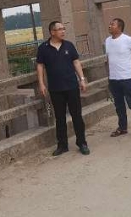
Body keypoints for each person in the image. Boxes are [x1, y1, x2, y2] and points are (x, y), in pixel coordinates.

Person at [36, 21, 90, 156]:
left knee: (77, 116)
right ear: (52, 32)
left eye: (64, 29)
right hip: (55, 88)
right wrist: (41, 83)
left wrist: (82, 79)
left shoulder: (69, 45)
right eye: (60, 29)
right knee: (60, 118)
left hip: (72, 86)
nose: (63, 31)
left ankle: (82, 143)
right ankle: (62, 145)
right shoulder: (43, 48)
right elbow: (40, 66)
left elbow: (76, 62)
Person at [105, 18, 131, 139]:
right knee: (119, 105)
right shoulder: (107, 41)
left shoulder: (128, 40)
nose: (110, 26)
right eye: (110, 24)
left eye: (112, 24)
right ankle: (122, 127)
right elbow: (108, 59)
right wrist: (109, 75)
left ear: (119, 27)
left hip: (126, 78)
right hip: (113, 79)